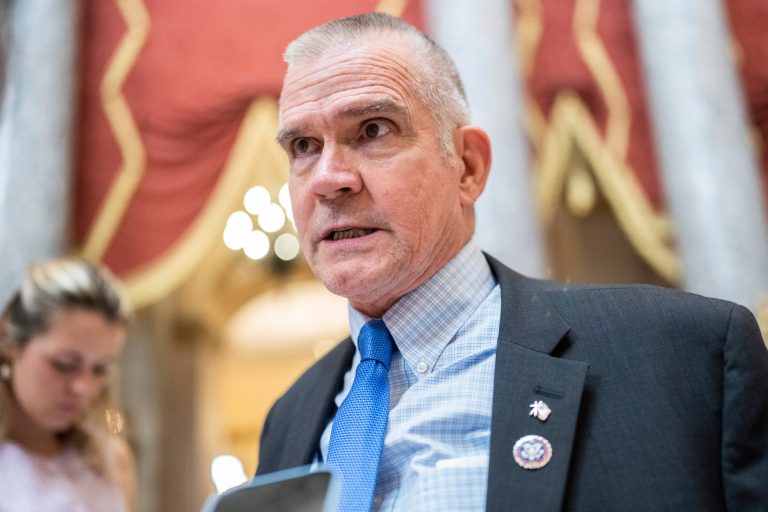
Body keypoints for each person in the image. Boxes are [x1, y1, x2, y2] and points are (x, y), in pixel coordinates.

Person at [256, 12, 768, 512]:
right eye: (303, 145)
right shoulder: (290, 418)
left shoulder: (686, 353)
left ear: (468, 168)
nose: (328, 178)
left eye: (373, 130)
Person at [0, 258, 135, 512]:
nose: (83, 387)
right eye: (64, 364)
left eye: (100, 369)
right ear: (9, 342)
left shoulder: (110, 461)